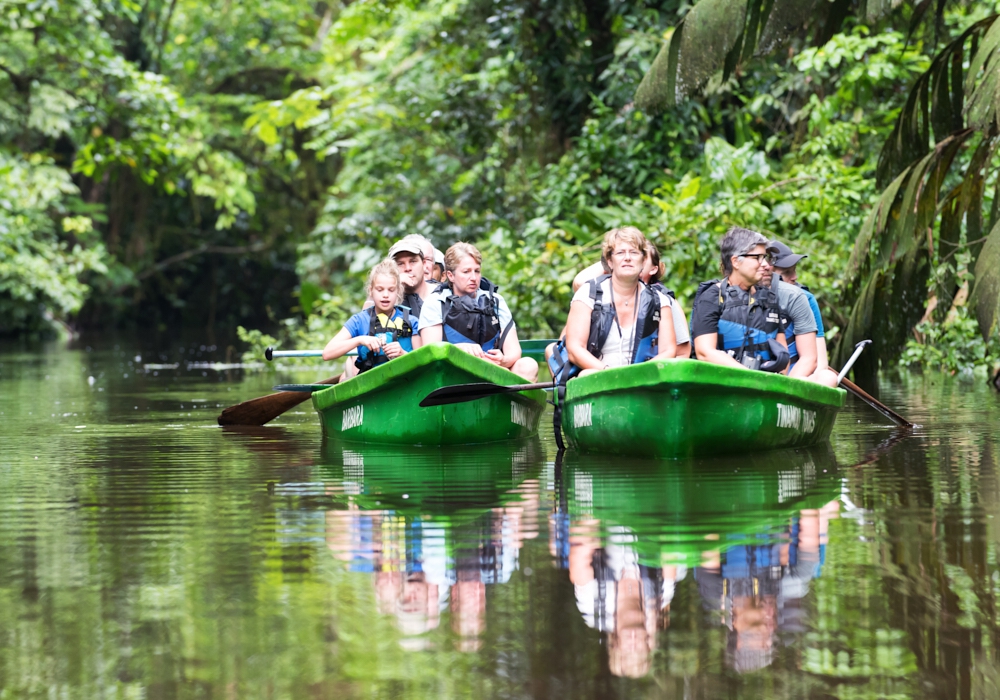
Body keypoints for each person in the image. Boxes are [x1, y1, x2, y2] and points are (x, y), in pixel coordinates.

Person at [558, 227, 677, 379]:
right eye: (620, 253)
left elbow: (668, 351)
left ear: (643, 260)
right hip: (599, 374)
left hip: (642, 376)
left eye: (634, 252)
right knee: (588, 375)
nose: (627, 258)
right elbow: (575, 350)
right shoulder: (589, 293)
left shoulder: (660, 300)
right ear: (610, 261)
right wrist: (610, 373)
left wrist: (637, 375)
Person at [419, 242, 539, 381]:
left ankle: (505, 399)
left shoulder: (496, 301)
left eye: (477, 271)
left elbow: (514, 351)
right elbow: (431, 351)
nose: (474, 278)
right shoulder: (436, 302)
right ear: (450, 275)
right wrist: (458, 348)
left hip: (496, 368)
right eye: (466, 272)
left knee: (528, 365)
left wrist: (503, 360)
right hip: (453, 372)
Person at [690, 227, 788, 372]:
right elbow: (705, 352)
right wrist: (749, 377)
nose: (766, 265)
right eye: (757, 258)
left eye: (765, 258)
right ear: (736, 261)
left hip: (764, 387)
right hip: (722, 386)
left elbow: (782, 355)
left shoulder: (769, 299)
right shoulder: (712, 298)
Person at [322, 259, 421, 378]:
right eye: (380, 290)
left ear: (398, 291)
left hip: (404, 383)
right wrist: (360, 340)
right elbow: (327, 354)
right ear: (371, 291)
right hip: (371, 385)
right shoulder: (359, 321)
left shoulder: (412, 321)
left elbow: (422, 365)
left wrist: (403, 354)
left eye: (391, 290)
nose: (385, 295)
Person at [766, 241, 839, 387]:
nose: (795, 277)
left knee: (827, 377)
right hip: (762, 372)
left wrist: (788, 385)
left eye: (794, 270)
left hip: (797, 377)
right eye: (787, 272)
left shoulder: (805, 298)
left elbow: (821, 363)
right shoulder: (746, 293)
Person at [644, 242, 691, 360]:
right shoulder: (603, 291)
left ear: (653, 269)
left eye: (642, 257)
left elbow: (683, 351)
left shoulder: (662, 298)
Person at [386, 236, 435, 318]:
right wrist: (393, 284)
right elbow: (366, 323)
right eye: (400, 264)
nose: (408, 268)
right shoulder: (387, 299)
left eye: (413, 261)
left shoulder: (443, 294)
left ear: (423, 264)